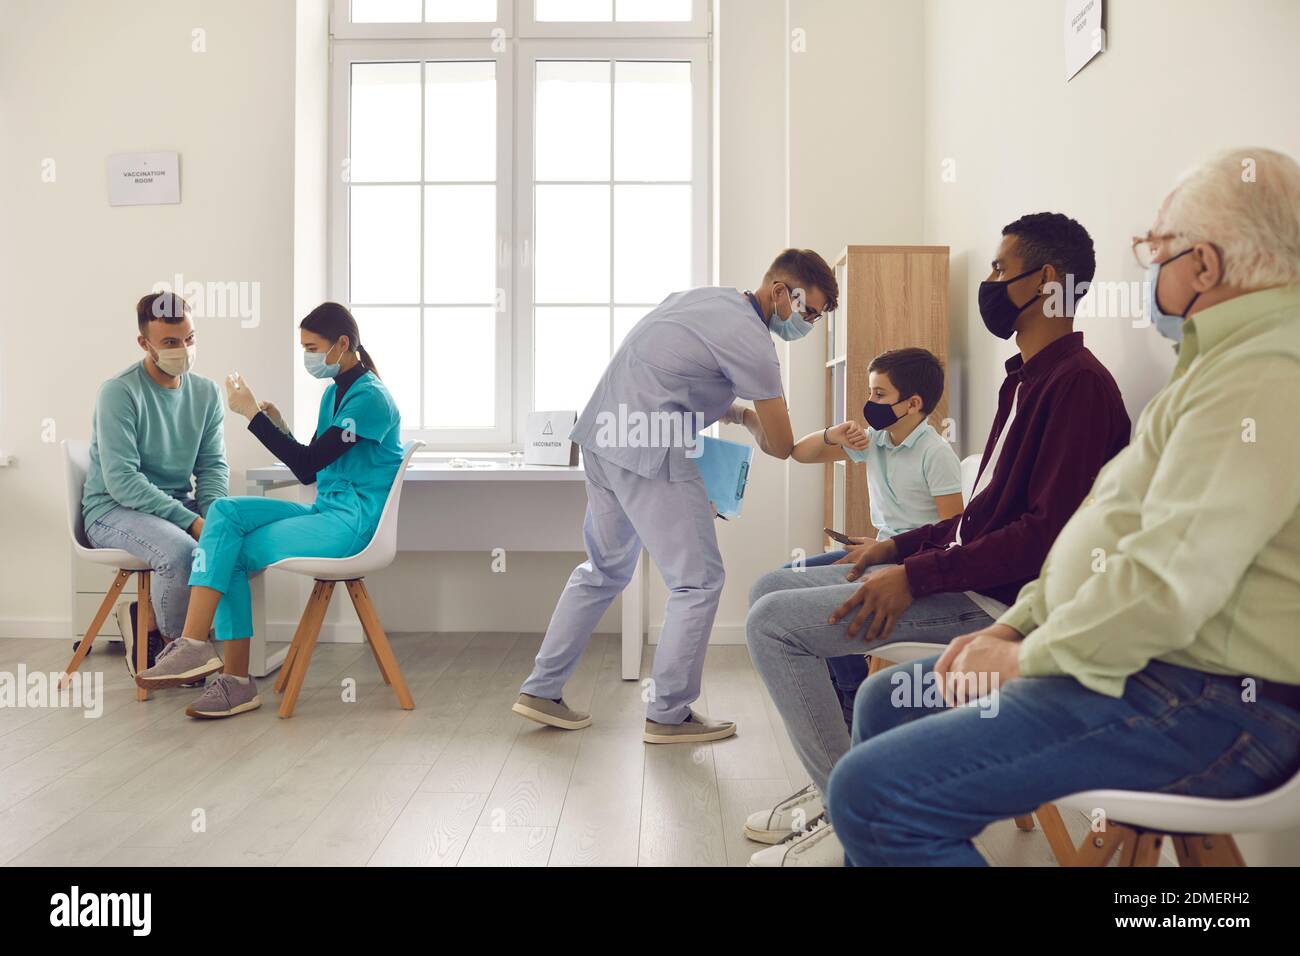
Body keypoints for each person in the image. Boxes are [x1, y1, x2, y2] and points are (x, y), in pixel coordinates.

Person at [828, 147, 1300, 867]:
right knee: (886, 701)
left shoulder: (1264, 373)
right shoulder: (1207, 370)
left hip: (1212, 700)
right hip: (1147, 662)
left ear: (1204, 267)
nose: (1146, 270)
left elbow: (1164, 583)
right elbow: (1102, 530)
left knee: (874, 792)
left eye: (1157, 249)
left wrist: (1031, 654)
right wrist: (1019, 625)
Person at [744, 213, 1130, 866]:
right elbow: (980, 517)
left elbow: (1040, 540)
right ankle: (841, 799)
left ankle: (842, 807)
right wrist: (896, 549)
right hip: (963, 577)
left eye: (1001, 270)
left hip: (997, 605)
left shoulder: (1080, 388)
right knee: (770, 592)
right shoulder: (1024, 380)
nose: (989, 282)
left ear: (1048, 282)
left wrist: (916, 574)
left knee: (774, 625)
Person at [513, 250, 839, 744]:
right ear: (779, 292)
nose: (808, 325)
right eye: (808, 312)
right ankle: (668, 714)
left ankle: (540, 688)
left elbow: (674, 372)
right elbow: (782, 446)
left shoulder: (705, 300)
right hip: (651, 450)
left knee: (602, 570)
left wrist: (739, 415)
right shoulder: (754, 342)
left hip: (603, 439)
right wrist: (809, 435)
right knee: (699, 581)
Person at [135, 303, 403, 719]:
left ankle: (231, 676)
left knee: (231, 551)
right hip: (325, 511)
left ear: (343, 344)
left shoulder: (371, 399)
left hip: (353, 525)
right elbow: (314, 465)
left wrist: (252, 415)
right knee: (225, 513)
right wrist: (279, 428)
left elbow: (304, 467)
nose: (308, 357)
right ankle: (195, 647)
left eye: (313, 347)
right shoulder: (336, 392)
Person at [786, 348, 965, 727]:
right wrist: (832, 435)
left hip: (909, 562)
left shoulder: (936, 454)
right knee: (789, 579)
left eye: (879, 395)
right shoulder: (877, 441)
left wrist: (889, 548)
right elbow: (799, 453)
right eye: (870, 393)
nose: (870, 403)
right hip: (879, 550)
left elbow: (954, 530)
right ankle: (842, 689)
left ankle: (850, 697)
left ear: (913, 403)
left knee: (819, 605)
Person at [82, 292, 228, 677]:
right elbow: (123, 481)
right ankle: (176, 652)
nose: (183, 349)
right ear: (144, 343)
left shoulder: (207, 393)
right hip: (113, 509)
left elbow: (212, 466)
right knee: (182, 554)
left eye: (189, 339)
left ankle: (152, 623)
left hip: (172, 505)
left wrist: (213, 517)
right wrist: (190, 522)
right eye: (169, 343)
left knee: (232, 537)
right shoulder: (120, 392)